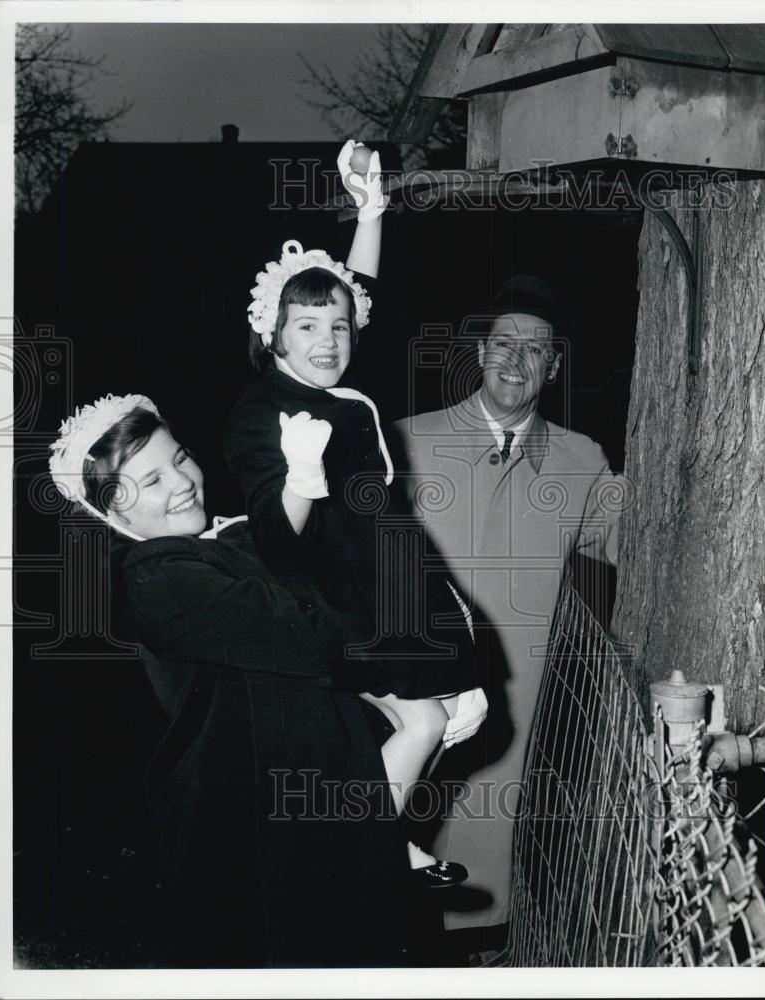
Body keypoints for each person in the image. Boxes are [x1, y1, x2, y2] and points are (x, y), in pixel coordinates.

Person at [48, 393, 414, 968]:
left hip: (301, 788)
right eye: (151, 479)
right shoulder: (156, 578)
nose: (183, 481)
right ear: (111, 511)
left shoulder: (225, 542)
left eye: (180, 458)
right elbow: (315, 634)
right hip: (243, 817)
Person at [224, 143, 488, 884]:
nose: (328, 342)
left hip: (382, 582)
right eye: (306, 328)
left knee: (437, 720)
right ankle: (357, 848)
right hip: (326, 599)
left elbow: (357, 286)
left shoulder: (336, 383)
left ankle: (372, 839)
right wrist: (302, 476)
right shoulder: (262, 412)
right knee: (429, 719)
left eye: (338, 327)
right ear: (272, 332)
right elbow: (277, 538)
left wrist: (372, 209)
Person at [393, 275, 623, 951]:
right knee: (387, 858)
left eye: (536, 349)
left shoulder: (582, 462)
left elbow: (634, 544)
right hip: (410, 698)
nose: (516, 361)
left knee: (484, 874)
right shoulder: (405, 443)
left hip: (513, 706)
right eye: (503, 343)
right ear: (480, 353)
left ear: (553, 366)